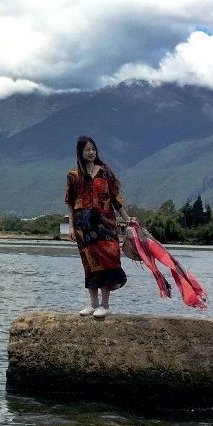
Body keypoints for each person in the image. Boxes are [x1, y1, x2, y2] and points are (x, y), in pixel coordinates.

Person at [65, 135, 128, 319]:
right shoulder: (73, 176)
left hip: (106, 226)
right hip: (83, 227)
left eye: (93, 149)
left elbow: (116, 200)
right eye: (87, 150)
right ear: (80, 152)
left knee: (108, 262)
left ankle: (105, 305)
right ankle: (93, 304)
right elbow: (70, 203)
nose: (91, 152)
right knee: (89, 264)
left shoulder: (105, 172)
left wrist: (127, 219)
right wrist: (70, 227)